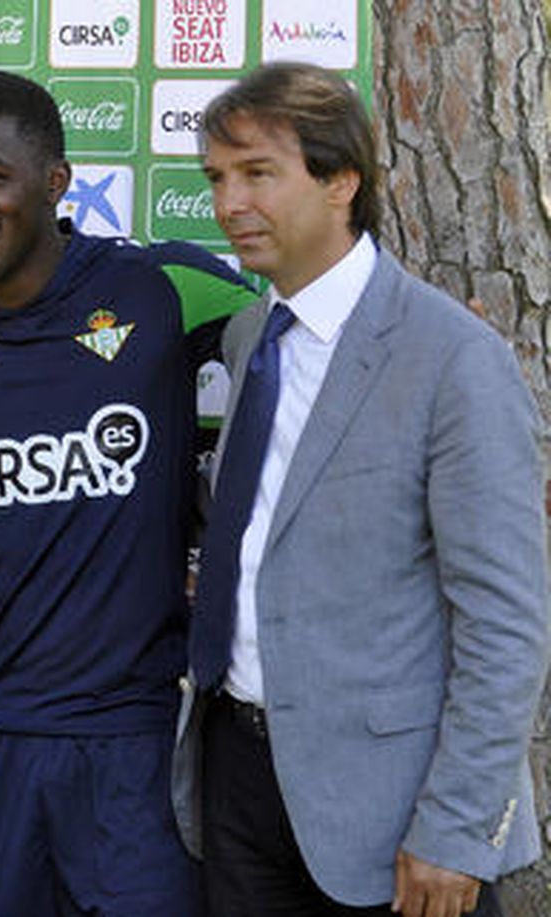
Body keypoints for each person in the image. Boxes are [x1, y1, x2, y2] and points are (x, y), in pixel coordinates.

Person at [0, 71, 256, 916]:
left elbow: (298, 359)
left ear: (56, 184)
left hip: (132, 739)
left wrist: (216, 508)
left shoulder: (161, 288)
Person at [186, 61, 549, 917]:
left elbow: (505, 622)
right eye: (217, 179)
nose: (230, 203)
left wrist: (458, 829)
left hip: (394, 819)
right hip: (237, 784)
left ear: (341, 180)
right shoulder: (249, 339)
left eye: (258, 174)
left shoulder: (452, 358)